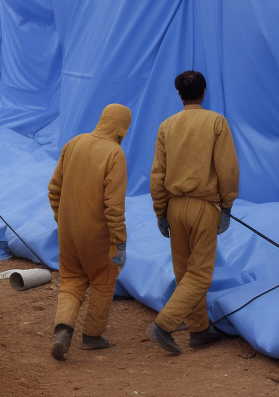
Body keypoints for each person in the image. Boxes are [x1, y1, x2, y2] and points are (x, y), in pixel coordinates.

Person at [147, 70, 239, 355]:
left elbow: (157, 174)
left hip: (175, 206)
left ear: (179, 94)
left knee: (184, 270)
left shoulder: (167, 125)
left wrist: (160, 211)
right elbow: (228, 169)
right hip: (204, 207)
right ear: (204, 91)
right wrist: (227, 205)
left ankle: (199, 330)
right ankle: (164, 324)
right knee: (199, 274)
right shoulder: (216, 122)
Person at [48, 103, 132, 361]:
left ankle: (63, 330)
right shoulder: (114, 154)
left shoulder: (74, 143)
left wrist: (62, 219)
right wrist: (119, 241)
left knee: (71, 279)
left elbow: (54, 188)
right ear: (122, 127)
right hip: (97, 235)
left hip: (68, 231)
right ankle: (92, 336)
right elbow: (114, 207)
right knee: (104, 280)